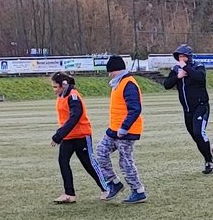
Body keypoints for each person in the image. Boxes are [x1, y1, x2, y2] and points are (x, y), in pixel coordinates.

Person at [94, 55, 148, 204]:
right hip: (114, 129)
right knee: (101, 151)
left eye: (109, 71)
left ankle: (138, 190)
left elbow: (135, 109)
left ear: (114, 70)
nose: (108, 74)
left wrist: (124, 127)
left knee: (126, 162)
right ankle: (114, 183)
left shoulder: (128, 84)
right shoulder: (118, 83)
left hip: (127, 131)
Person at [49, 72, 106, 203]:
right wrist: (62, 135)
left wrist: (59, 135)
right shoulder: (61, 96)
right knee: (63, 161)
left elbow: (74, 117)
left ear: (63, 85)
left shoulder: (73, 97)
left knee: (89, 163)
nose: (54, 90)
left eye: (55, 87)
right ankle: (69, 194)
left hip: (81, 135)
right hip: (68, 136)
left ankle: (106, 188)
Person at [162, 43, 213, 173]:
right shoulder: (176, 69)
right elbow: (166, 85)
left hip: (201, 106)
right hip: (187, 111)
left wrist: (186, 68)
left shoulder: (198, 67)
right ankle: (209, 159)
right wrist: (178, 76)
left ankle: (209, 161)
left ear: (189, 57)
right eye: (179, 57)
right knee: (195, 137)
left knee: (199, 133)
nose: (181, 59)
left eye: (183, 56)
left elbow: (200, 78)